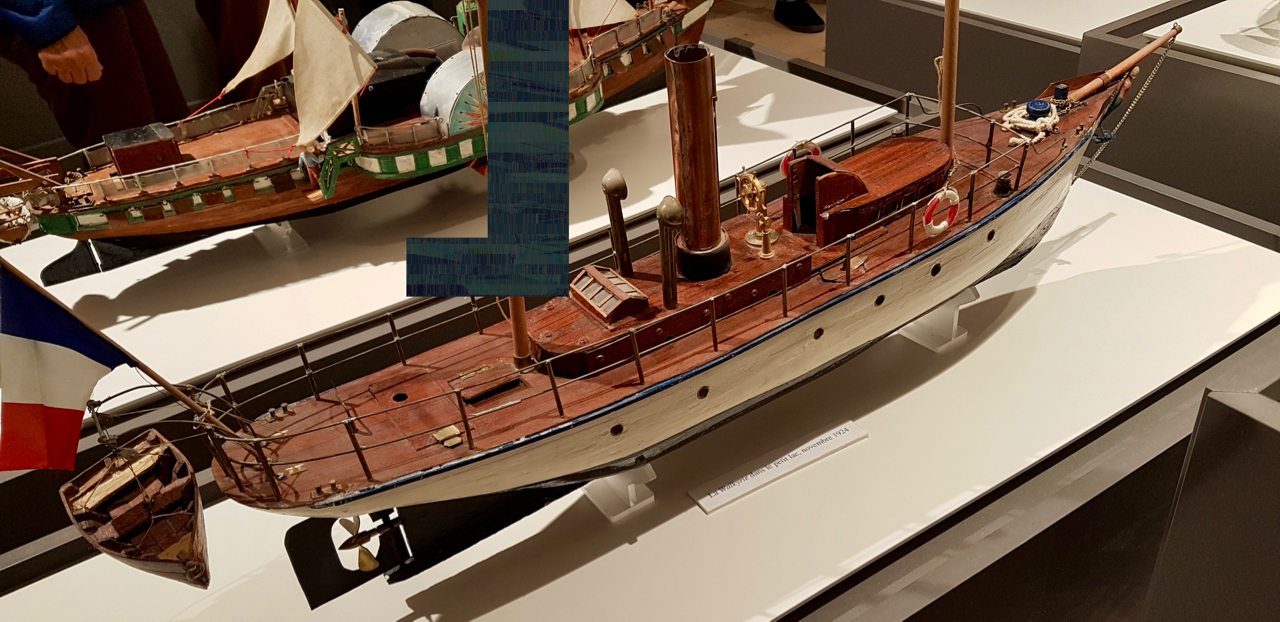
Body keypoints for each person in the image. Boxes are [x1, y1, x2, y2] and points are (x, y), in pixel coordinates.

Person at [0, 0, 188, 149]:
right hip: (65, 15)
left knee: (179, 141)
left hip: (110, 5)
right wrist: (45, 19)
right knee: (135, 158)